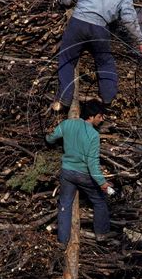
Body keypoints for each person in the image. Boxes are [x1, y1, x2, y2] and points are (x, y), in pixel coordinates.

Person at [52, 0, 142, 111]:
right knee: (105, 62)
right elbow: (129, 19)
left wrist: (61, 0)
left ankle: (65, 97)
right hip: (100, 29)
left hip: (78, 23)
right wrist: (141, 41)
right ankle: (108, 97)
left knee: (67, 58)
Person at [46, 100, 111, 246]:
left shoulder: (67, 124)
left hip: (67, 173)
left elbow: (51, 138)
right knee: (99, 201)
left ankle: (62, 240)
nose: (101, 120)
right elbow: (92, 164)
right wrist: (102, 183)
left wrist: (47, 139)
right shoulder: (93, 135)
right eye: (100, 117)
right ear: (92, 116)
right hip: (83, 175)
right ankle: (101, 234)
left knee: (65, 204)